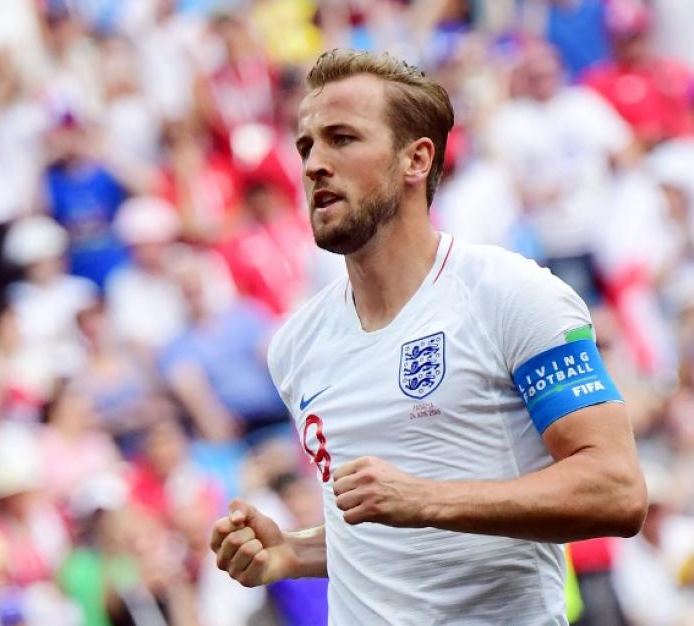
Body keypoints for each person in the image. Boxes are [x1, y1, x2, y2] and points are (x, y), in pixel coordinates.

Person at [210, 49, 647, 625]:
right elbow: (383, 534)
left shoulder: (511, 294)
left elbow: (617, 491)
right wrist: (295, 551)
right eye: (306, 146)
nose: (314, 163)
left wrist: (426, 497)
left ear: (416, 159)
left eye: (342, 139)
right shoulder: (296, 346)